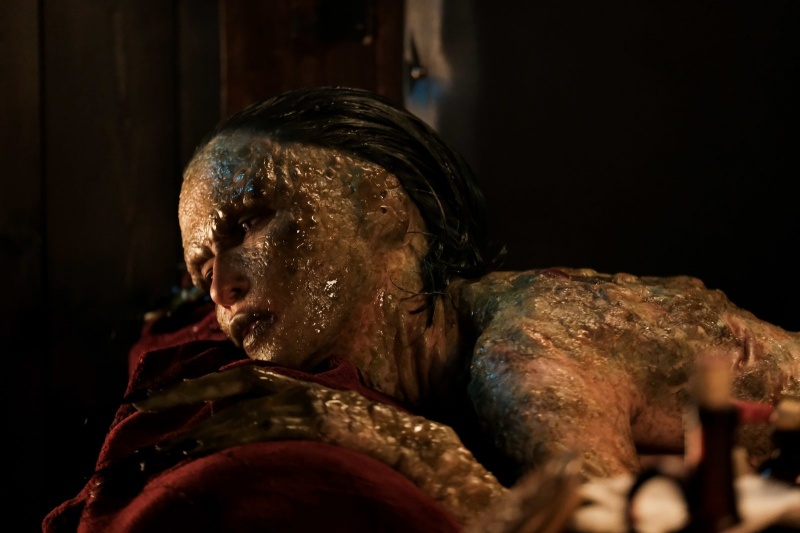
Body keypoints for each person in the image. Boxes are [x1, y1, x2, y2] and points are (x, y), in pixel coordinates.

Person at [43, 86, 800, 532]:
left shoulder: (519, 358)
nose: (222, 290)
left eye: (249, 222)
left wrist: (412, 447)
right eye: (202, 268)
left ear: (382, 203)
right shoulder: (457, 358)